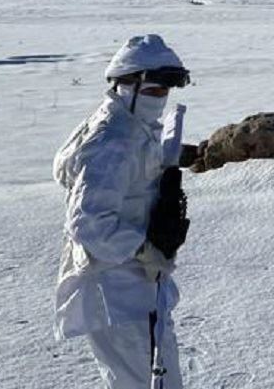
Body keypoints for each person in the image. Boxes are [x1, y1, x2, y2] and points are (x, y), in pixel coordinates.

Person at [55, 35, 193, 389]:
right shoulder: (113, 140)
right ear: (125, 85)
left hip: (134, 289)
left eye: (164, 92)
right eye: (153, 91)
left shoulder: (130, 128)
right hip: (118, 292)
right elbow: (88, 221)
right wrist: (143, 249)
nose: (159, 100)